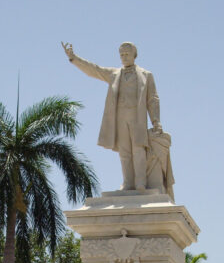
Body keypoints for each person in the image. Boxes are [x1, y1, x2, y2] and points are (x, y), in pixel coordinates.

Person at [62, 41, 162, 192]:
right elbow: (94, 70)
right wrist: (74, 58)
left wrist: (155, 121)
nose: (124, 57)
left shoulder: (146, 75)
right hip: (120, 117)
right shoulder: (114, 74)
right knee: (124, 151)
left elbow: (152, 99)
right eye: (121, 54)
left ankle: (140, 182)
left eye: (127, 54)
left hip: (137, 117)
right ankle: (128, 183)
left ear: (134, 55)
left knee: (138, 149)